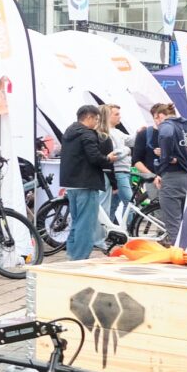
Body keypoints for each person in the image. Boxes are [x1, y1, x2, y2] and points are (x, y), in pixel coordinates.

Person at [58, 104, 115, 262]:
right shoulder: (88, 134)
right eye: (96, 119)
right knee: (86, 223)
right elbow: (95, 157)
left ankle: (72, 253)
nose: (97, 122)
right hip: (86, 183)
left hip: (71, 184)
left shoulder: (69, 132)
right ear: (89, 117)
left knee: (77, 220)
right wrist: (108, 159)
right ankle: (79, 258)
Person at [136, 101, 187, 239]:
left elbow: (167, 135)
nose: (157, 123)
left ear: (159, 116)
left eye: (156, 118)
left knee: (172, 222)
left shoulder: (167, 126)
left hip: (170, 177)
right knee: (185, 220)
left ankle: (178, 252)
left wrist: (166, 156)